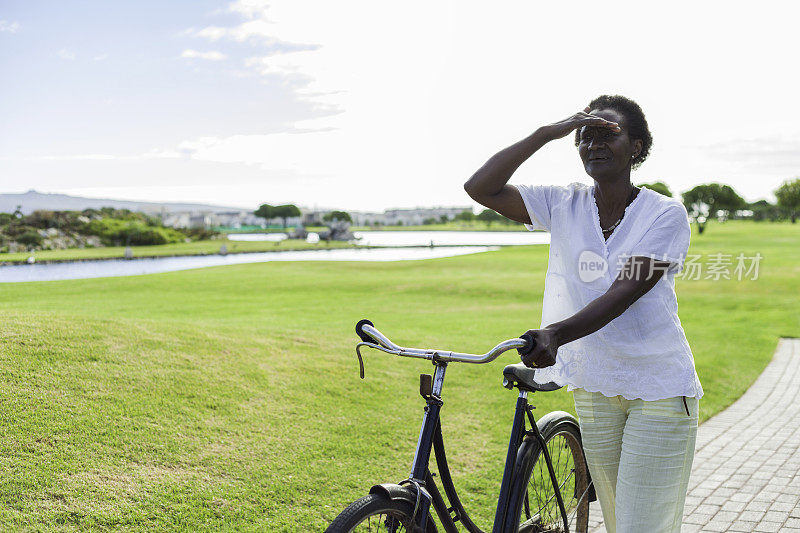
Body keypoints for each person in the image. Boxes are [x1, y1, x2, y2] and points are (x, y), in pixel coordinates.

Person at [464, 95, 703, 533]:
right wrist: (545, 133)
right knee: (616, 520)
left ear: (636, 145)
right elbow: (481, 188)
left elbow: (625, 291)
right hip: (594, 383)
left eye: (607, 133)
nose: (592, 142)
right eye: (584, 136)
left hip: (660, 388)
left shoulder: (665, 214)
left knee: (641, 525)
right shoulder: (563, 203)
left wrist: (555, 333)